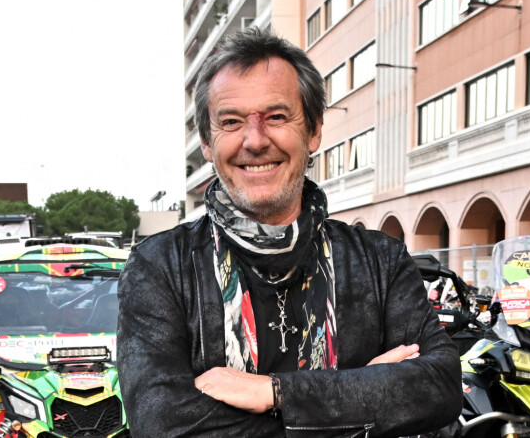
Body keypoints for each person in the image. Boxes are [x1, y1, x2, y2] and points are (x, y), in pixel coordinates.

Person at [117, 28, 462, 437]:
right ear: (208, 143)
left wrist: (276, 393)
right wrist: (356, 400)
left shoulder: (379, 261)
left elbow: (439, 387)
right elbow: (162, 425)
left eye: (276, 117)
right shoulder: (161, 267)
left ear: (314, 130)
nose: (255, 140)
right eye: (231, 122)